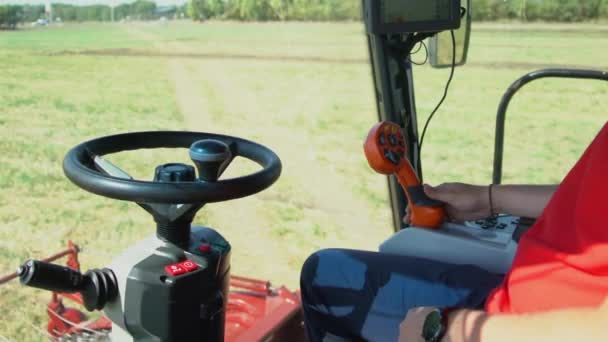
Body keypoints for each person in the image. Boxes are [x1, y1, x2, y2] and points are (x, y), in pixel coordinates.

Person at [300, 122, 608, 341]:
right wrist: (489, 199)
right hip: (521, 296)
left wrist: (448, 329)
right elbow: (591, 197)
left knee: (326, 275)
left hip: (512, 326)